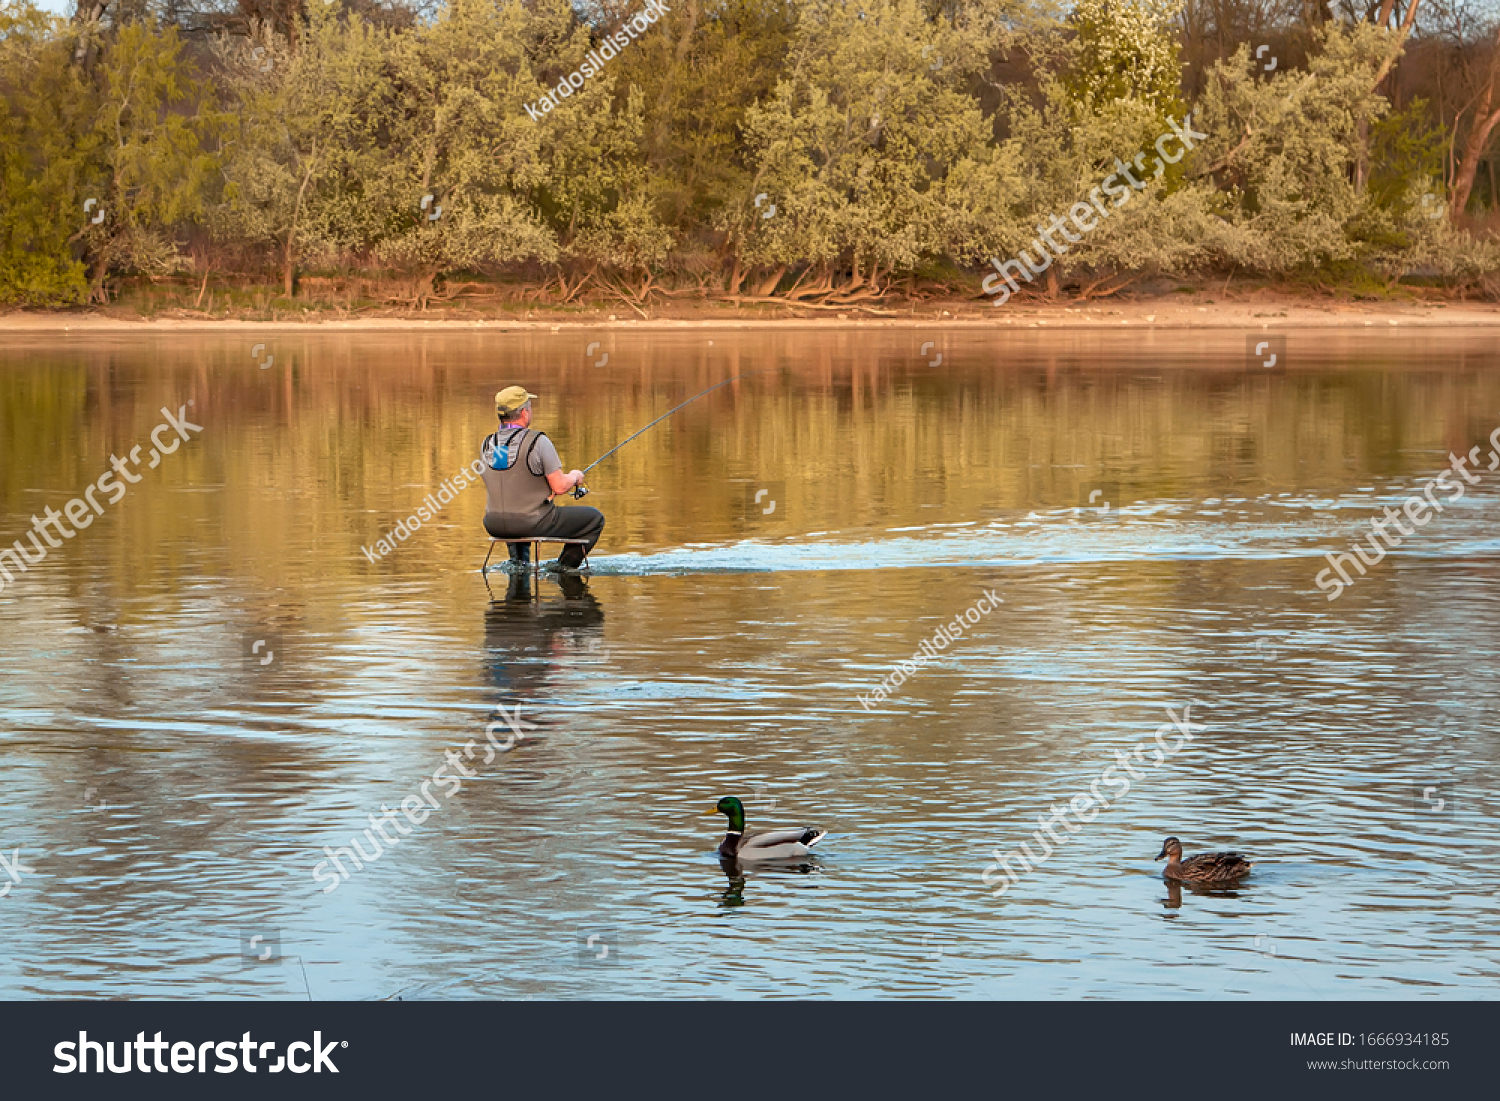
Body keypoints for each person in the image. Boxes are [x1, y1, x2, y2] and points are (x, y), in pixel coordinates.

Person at [480, 386, 604, 570]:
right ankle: (563, 569)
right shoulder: (537, 441)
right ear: (524, 412)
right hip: (531, 522)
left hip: (494, 523)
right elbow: (560, 487)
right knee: (594, 519)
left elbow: (509, 480)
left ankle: (519, 567)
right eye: (529, 408)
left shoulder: (491, 443)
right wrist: (575, 476)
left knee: (517, 516)